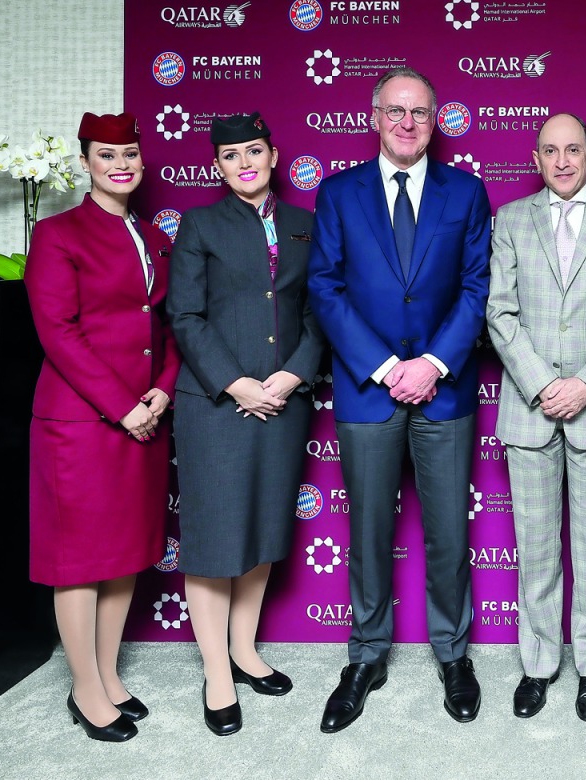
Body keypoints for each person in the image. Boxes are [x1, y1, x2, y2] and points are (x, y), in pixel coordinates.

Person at [307, 66, 492, 732]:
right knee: (368, 534)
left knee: (448, 533)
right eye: (395, 111)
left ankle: (453, 654)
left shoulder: (466, 192)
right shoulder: (338, 193)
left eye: (419, 112)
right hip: (368, 390)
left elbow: (477, 289)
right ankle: (366, 655)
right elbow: (325, 288)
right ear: (374, 115)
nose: (407, 123)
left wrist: (434, 363)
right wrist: (388, 367)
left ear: (435, 119)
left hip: (444, 390)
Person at [167, 113, 324, 736]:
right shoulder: (200, 225)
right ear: (217, 166)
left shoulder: (305, 225)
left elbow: (320, 310)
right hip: (215, 404)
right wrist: (236, 384)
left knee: (260, 530)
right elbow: (185, 314)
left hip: (284, 400)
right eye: (231, 156)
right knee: (212, 540)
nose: (245, 163)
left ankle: (244, 648)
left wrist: (292, 376)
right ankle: (216, 672)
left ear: (273, 153)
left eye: (254, 151)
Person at [24, 112, 179, 742]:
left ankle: (109, 674)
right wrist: (125, 407)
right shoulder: (58, 233)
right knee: (80, 560)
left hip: (145, 415)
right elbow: (58, 331)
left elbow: (167, 325)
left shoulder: (152, 235)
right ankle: (84, 689)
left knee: (122, 557)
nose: (122, 164)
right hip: (82, 422)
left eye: (132, 154)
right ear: (86, 161)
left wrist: (162, 394)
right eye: (108, 154)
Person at [486, 113, 586, 722]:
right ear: (535, 158)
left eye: (572, 149)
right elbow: (500, 314)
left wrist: (584, 385)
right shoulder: (510, 219)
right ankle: (538, 664)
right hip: (529, 410)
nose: (562, 161)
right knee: (536, 545)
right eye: (550, 151)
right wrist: (544, 384)